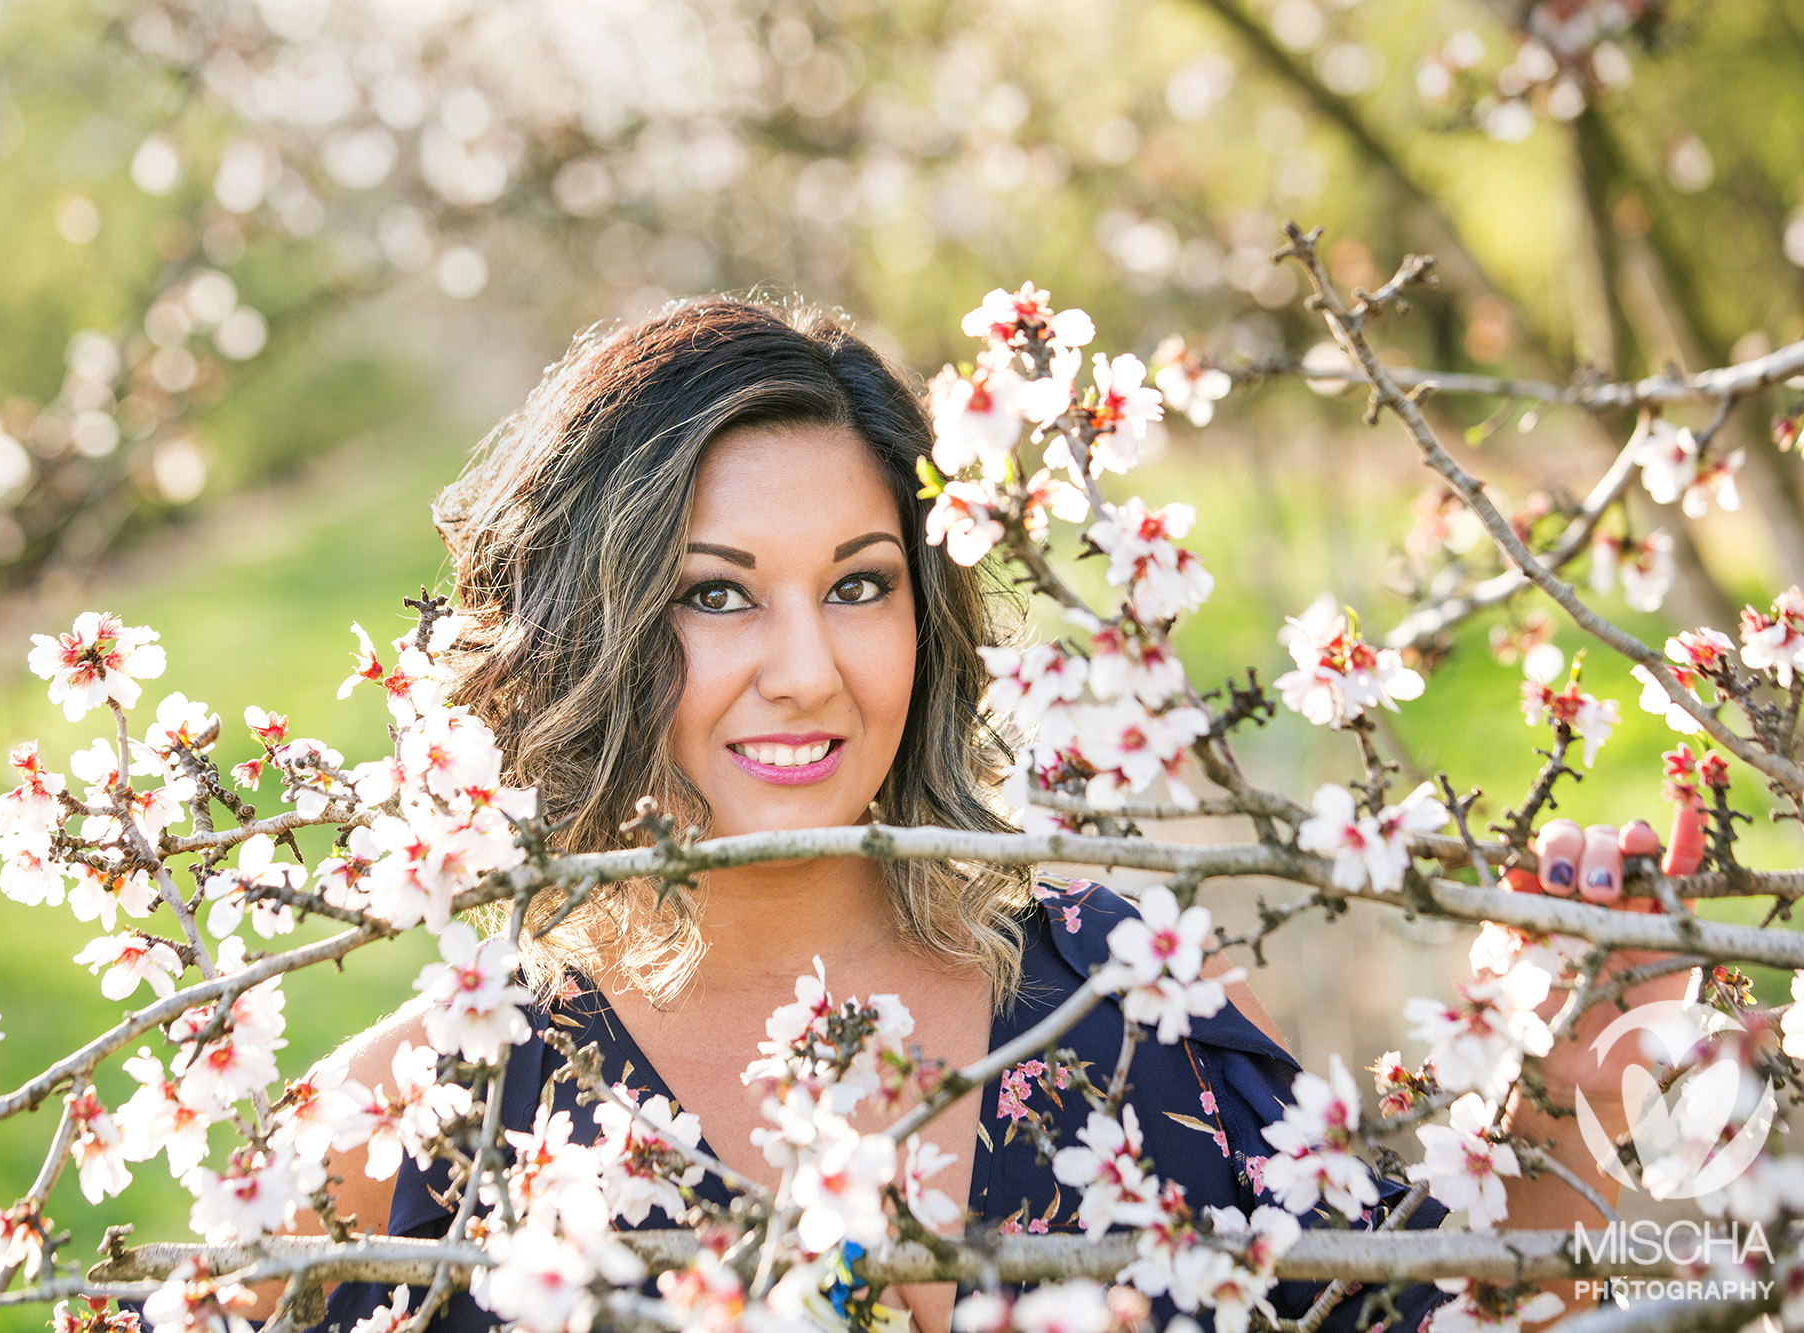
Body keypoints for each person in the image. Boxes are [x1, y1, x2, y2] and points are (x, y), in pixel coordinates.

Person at [274, 296, 1686, 1333]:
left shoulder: (1123, 998)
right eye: (715, 594)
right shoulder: (406, 1126)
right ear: (580, 631)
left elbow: (1398, 1317)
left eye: (859, 584)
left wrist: (1562, 1098)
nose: (808, 670)